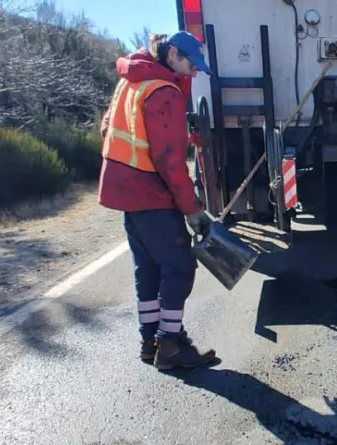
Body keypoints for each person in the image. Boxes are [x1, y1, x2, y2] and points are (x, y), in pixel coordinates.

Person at [98, 31, 217, 371]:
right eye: (192, 64)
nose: (195, 71)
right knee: (180, 267)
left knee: (148, 269)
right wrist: (191, 209)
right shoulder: (163, 90)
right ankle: (170, 345)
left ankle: (150, 341)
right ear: (174, 54)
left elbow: (107, 128)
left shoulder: (131, 81)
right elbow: (169, 161)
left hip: (127, 192)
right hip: (152, 192)